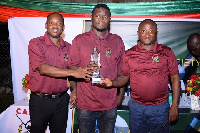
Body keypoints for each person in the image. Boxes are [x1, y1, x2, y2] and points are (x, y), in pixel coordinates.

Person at [101, 19, 181, 133]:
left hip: (160, 107)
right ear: (138, 33)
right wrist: (112, 83)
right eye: (143, 31)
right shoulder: (129, 54)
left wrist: (175, 105)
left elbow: (175, 78)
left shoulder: (166, 52)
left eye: (151, 31)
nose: (147, 34)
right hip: (136, 107)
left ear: (156, 33)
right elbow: (124, 77)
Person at [28, 12, 93, 133]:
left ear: (63, 27)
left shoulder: (68, 47)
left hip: (62, 100)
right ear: (46, 25)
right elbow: (43, 69)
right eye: (51, 23)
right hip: (40, 101)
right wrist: (74, 73)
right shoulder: (36, 43)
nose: (55, 26)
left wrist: (74, 90)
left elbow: (73, 72)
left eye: (59, 23)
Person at [68, 4, 125, 133]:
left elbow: (122, 70)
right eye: (98, 15)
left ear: (110, 19)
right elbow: (71, 68)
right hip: (85, 103)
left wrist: (120, 95)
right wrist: (76, 88)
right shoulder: (79, 40)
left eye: (105, 16)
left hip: (109, 104)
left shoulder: (117, 41)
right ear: (91, 18)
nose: (101, 19)